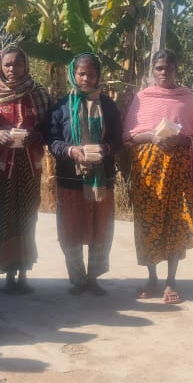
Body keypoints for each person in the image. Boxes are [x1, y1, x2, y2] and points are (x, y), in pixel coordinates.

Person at [123, 49, 193, 304]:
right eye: (159, 68)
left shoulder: (186, 99)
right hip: (148, 171)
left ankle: (171, 281)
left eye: (168, 68)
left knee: (177, 222)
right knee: (148, 222)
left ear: (176, 69)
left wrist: (179, 138)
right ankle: (152, 279)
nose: (164, 72)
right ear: (152, 70)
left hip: (178, 172)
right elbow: (129, 136)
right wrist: (152, 136)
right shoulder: (143, 98)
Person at [0, 45, 53, 294]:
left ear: (25, 66)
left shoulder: (38, 94)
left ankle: (23, 271)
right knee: (3, 216)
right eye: (7, 64)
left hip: (29, 166)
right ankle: (8, 271)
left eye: (17, 64)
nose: (12, 69)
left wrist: (35, 136)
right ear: (0, 66)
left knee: (28, 216)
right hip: (1, 168)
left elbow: (49, 130)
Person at [48, 53, 124, 295]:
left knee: (99, 228)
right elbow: (52, 140)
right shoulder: (61, 106)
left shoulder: (108, 106)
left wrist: (105, 149)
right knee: (71, 229)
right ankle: (77, 278)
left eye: (91, 74)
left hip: (102, 178)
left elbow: (118, 139)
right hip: (69, 178)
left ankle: (93, 278)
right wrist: (71, 151)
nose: (86, 78)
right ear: (74, 74)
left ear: (98, 76)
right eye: (81, 73)